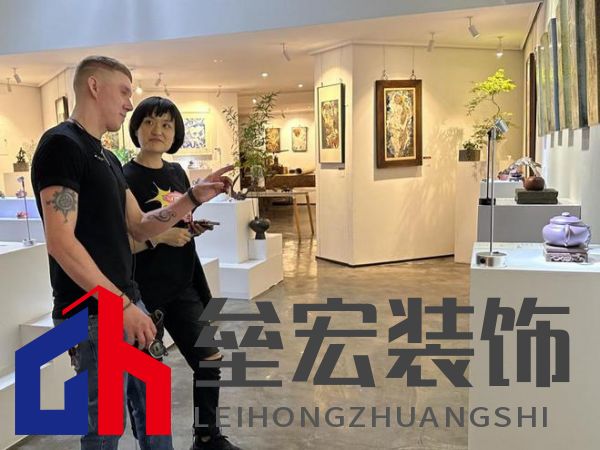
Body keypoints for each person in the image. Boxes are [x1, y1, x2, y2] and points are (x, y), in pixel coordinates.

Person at [30, 55, 231, 450]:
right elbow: (61, 242)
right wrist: (121, 305)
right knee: (106, 428)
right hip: (92, 313)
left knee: (154, 416)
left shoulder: (105, 157)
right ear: (94, 86)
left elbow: (139, 224)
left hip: (127, 303)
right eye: (124, 92)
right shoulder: (61, 146)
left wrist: (192, 197)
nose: (128, 103)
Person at [123, 96, 241, 450]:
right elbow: (122, 241)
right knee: (148, 378)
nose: (157, 130)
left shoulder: (176, 172)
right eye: (148, 122)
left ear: (176, 133)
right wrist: (160, 239)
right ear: (136, 128)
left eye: (166, 124)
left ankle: (207, 436)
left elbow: (178, 219)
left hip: (184, 283)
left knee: (209, 358)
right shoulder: (125, 177)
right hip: (144, 292)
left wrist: (190, 228)